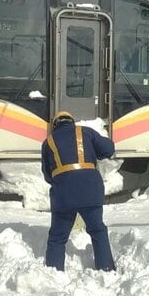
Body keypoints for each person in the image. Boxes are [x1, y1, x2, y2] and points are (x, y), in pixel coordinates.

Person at [41, 111, 117, 272]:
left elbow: (48, 175)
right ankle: (106, 269)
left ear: (55, 125)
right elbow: (109, 149)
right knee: (97, 230)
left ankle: (53, 273)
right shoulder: (85, 132)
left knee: (57, 237)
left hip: (63, 195)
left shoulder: (48, 142)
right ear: (72, 122)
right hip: (90, 191)